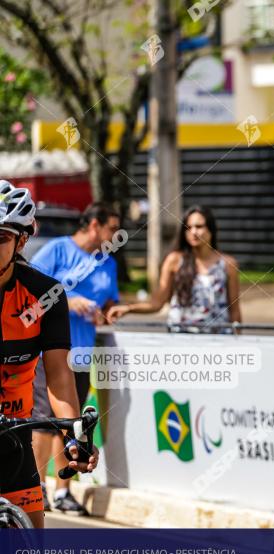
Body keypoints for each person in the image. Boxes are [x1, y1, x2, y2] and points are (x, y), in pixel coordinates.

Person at [0, 180, 98, 528]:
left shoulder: (46, 296)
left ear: (21, 241)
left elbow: (58, 376)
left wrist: (74, 434)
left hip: (13, 440)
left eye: (1, 238)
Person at [29, 202, 121, 515]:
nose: (115, 234)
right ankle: (36, 487)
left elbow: (110, 300)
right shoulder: (57, 250)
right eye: (112, 227)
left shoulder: (107, 260)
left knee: (72, 423)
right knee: (44, 420)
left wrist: (110, 311)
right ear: (94, 225)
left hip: (82, 352)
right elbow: (32, 291)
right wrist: (69, 302)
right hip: (49, 350)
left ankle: (62, 490)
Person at [106, 205, 241, 332]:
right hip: (181, 338)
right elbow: (157, 303)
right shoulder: (174, 260)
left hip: (217, 341)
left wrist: (238, 340)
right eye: (188, 227)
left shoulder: (228, 264)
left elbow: (234, 310)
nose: (193, 232)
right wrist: (129, 308)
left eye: (199, 226)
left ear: (211, 229)